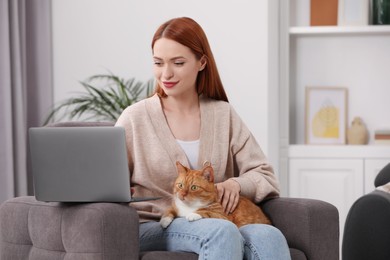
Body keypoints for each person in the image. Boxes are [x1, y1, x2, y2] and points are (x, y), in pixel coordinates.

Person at [115, 17, 291, 260]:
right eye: (158, 62)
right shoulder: (135, 117)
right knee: (220, 231)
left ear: (201, 63)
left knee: (269, 236)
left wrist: (236, 184)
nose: (166, 73)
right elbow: (108, 184)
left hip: (216, 217)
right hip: (155, 224)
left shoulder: (222, 114)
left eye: (178, 62)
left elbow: (264, 175)